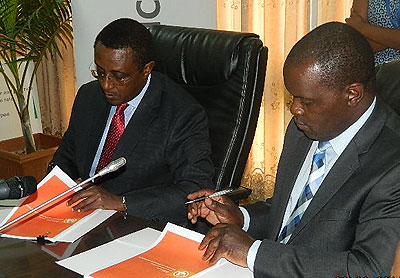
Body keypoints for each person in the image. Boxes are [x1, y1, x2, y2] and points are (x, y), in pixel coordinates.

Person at [187, 22, 400, 277]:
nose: (295, 109)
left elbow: (370, 269)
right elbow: (293, 212)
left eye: (307, 101)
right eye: (293, 97)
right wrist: (242, 218)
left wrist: (253, 252)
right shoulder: (304, 129)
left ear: (352, 94)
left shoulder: (392, 165)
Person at [50, 18, 214, 225]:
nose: (106, 85)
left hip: (135, 223)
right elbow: (67, 154)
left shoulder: (183, 114)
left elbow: (195, 190)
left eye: (120, 77)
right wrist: (60, 186)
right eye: (100, 72)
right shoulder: (88, 95)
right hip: (77, 213)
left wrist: (122, 202)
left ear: (147, 69)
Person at [345, 0, 400, 66]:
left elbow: (358, 27)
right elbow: (358, 43)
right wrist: (392, 38)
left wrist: (363, 27)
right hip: (371, 65)